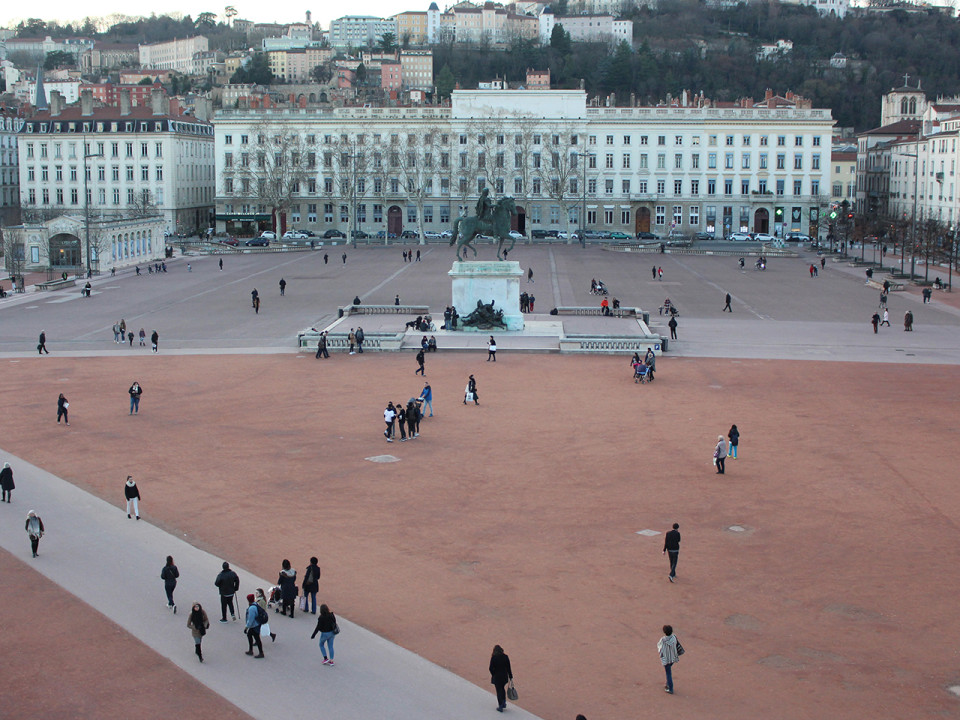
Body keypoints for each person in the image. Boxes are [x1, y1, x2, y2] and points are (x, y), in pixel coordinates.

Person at [489, 645, 513, 712]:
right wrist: (510, 676)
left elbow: (490, 668)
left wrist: (493, 674)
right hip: (504, 676)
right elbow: (508, 667)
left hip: (497, 677)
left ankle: (500, 705)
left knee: (498, 690)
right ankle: (504, 702)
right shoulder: (505, 657)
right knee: (502, 688)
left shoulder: (494, 658)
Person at [657, 625, 681, 694]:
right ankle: (667, 684)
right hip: (673, 657)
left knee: (668, 673)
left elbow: (660, 647)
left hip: (667, 659)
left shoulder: (663, 640)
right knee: (669, 671)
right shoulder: (674, 637)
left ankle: (670, 688)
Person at [244, 594, 265, 658]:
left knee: (256, 638)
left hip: (254, 625)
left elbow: (251, 619)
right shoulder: (255, 604)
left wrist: (246, 627)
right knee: (250, 635)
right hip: (257, 624)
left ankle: (260, 653)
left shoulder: (252, 608)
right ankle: (252, 650)